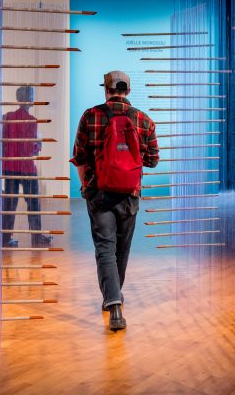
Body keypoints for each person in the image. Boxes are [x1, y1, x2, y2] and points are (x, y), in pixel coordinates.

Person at [70, 71, 159, 331]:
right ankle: (115, 297)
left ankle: (113, 304)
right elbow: (153, 160)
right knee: (122, 248)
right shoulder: (144, 120)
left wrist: (86, 186)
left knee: (104, 247)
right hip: (130, 194)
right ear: (128, 91)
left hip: (99, 192)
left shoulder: (90, 115)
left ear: (106, 90)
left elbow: (80, 156)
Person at [1, 86, 50, 248]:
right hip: (26, 168)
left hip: (9, 167)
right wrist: (39, 145)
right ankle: (36, 237)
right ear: (29, 99)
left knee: (9, 204)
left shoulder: (6, 118)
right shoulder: (31, 121)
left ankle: (5, 238)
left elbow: (2, 143)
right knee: (33, 203)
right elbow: (30, 149)